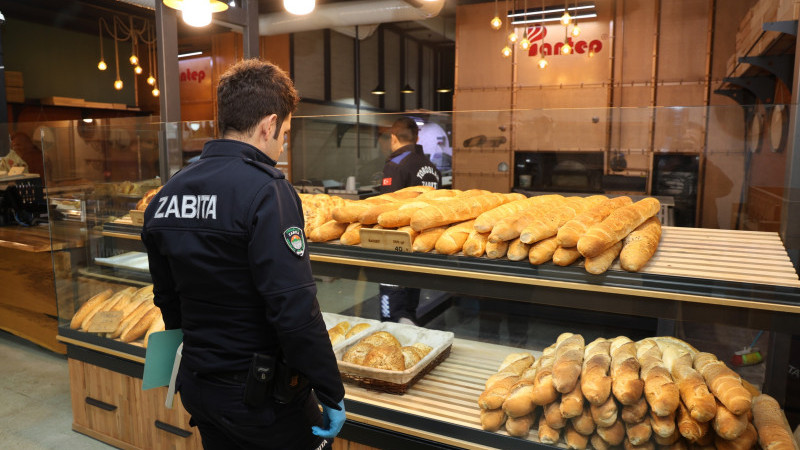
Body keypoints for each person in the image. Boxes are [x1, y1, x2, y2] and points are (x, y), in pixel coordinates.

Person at [141, 59, 345, 450]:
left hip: (200, 386)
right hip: (260, 398)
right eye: (284, 133)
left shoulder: (167, 195)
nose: (283, 143)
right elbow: (293, 308)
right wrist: (330, 390)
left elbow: (167, 298)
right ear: (268, 125)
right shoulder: (267, 191)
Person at [378, 117, 441, 324]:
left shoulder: (395, 165)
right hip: (421, 244)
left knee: (392, 313)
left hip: (395, 246)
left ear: (393, 138)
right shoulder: (432, 167)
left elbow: (388, 209)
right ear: (417, 138)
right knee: (411, 302)